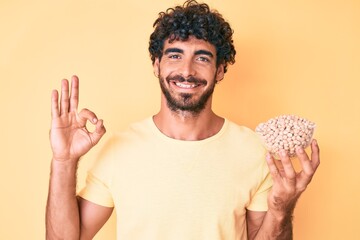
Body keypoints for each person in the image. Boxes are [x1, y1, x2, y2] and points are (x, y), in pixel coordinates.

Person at [46, 1, 320, 239]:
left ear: (220, 70)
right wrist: (64, 161)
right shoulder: (119, 150)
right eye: (175, 55)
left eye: (202, 58)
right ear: (157, 65)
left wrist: (282, 207)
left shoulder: (254, 150)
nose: (186, 71)